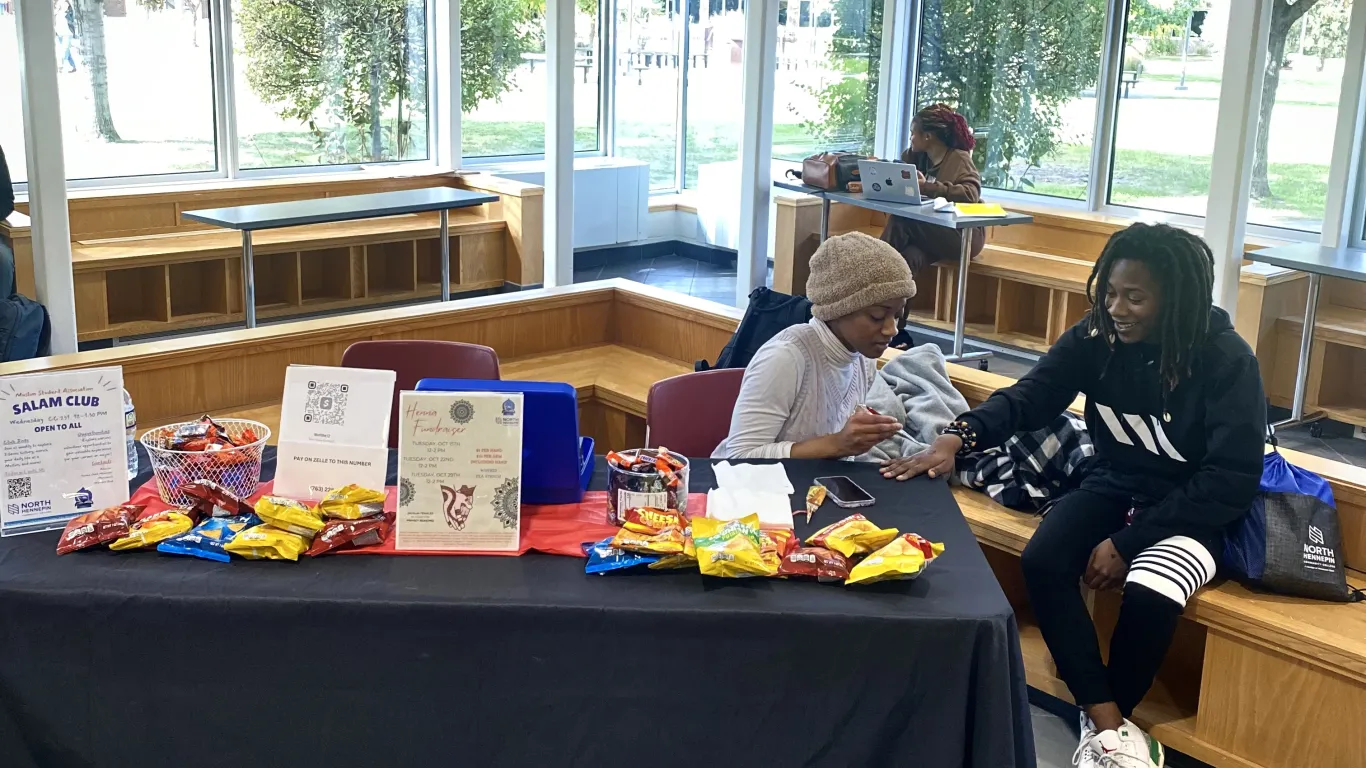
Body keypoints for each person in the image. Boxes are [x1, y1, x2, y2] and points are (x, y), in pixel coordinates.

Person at [882, 223, 1266, 768]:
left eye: (1135, 297)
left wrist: (1129, 543)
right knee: (1043, 558)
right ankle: (1108, 722)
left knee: (1153, 590)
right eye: (1110, 292)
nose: (1116, 307)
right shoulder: (1097, 336)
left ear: (1175, 299)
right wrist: (958, 435)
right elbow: (1034, 395)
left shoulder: (1227, 360)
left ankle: (1109, 727)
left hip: (1195, 503)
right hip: (1115, 479)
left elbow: (1230, 479)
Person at [713, 231, 912, 460]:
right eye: (877, 316)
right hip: (749, 488)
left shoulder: (862, 356)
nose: (892, 329)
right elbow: (739, 457)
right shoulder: (785, 358)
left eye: (898, 315)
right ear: (836, 310)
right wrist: (836, 445)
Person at [879, 103, 984, 277]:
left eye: (913, 133)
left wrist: (926, 187)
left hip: (962, 234)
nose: (911, 138)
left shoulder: (959, 159)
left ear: (927, 136)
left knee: (902, 220)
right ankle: (894, 304)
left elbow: (971, 194)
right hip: (931, 228)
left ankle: (868, 270)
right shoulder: (915, 157)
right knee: (909, 258)